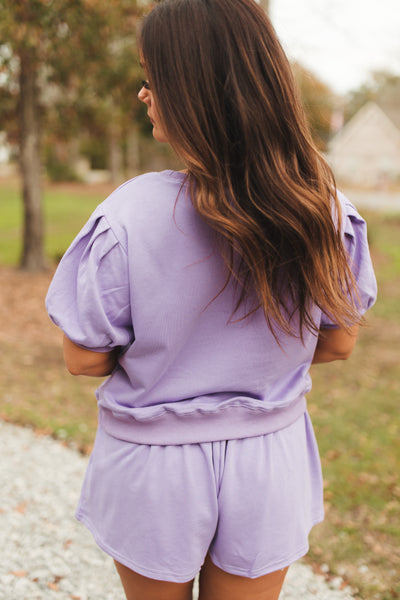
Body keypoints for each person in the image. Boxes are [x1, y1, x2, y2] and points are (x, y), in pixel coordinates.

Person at [46, 1, 377, 598]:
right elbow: (340, 341)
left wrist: (169, 361)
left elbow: (83, 358)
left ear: (195, 86)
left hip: (154, 466)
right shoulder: (323, 212)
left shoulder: (127, 216)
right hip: (267, 458)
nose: (144, 93)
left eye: (154, 76)